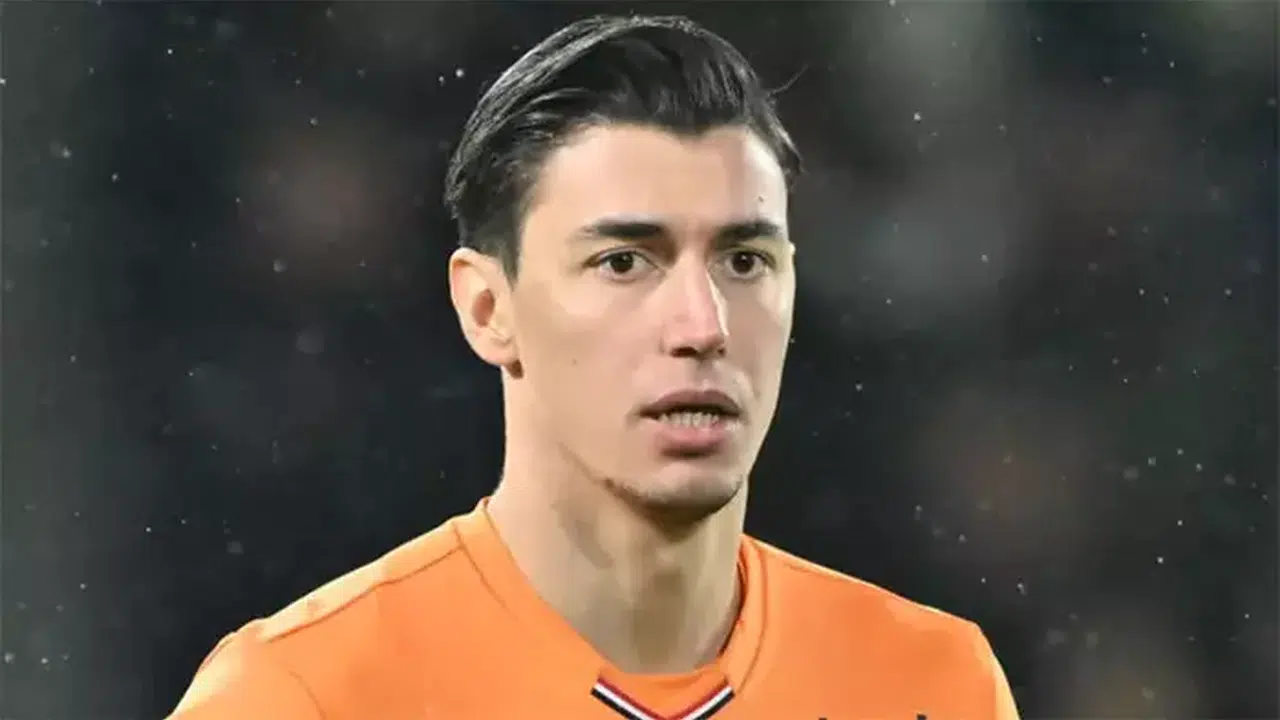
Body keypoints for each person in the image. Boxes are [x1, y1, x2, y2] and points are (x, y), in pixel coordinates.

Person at [169, 14, 1019, 720]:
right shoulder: (303, 697)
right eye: (623, 262)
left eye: (744, 261)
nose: (703, 326)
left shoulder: (934, 687)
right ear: (487, 309)